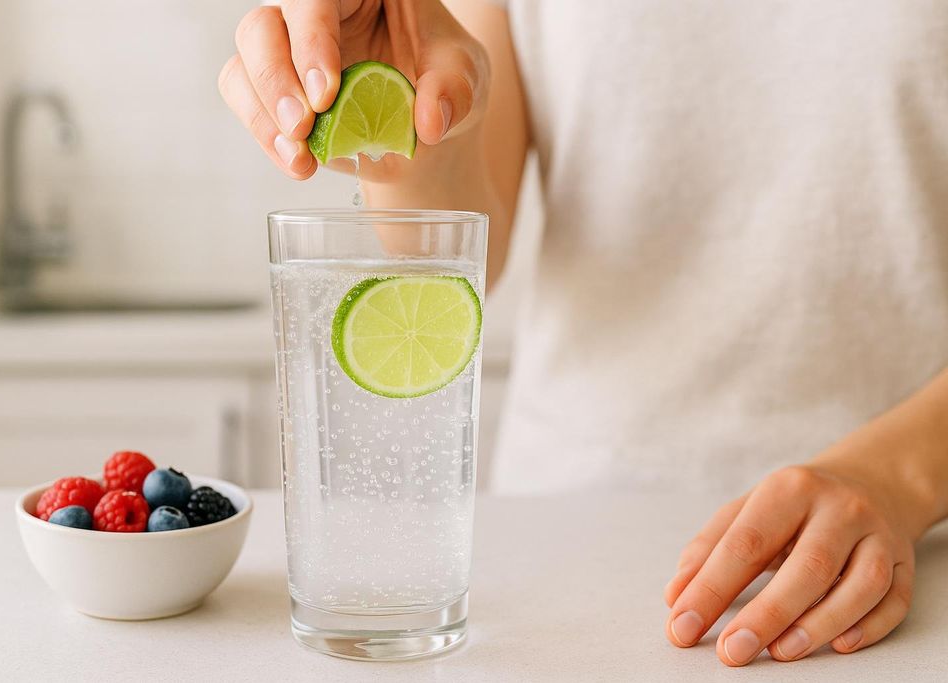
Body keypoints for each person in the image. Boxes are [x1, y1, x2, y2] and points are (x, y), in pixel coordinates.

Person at [218, 0, 948, 667]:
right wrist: (406, 106)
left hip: (900, 544)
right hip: (562, 536)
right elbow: (455, 254)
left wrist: (899, 475)